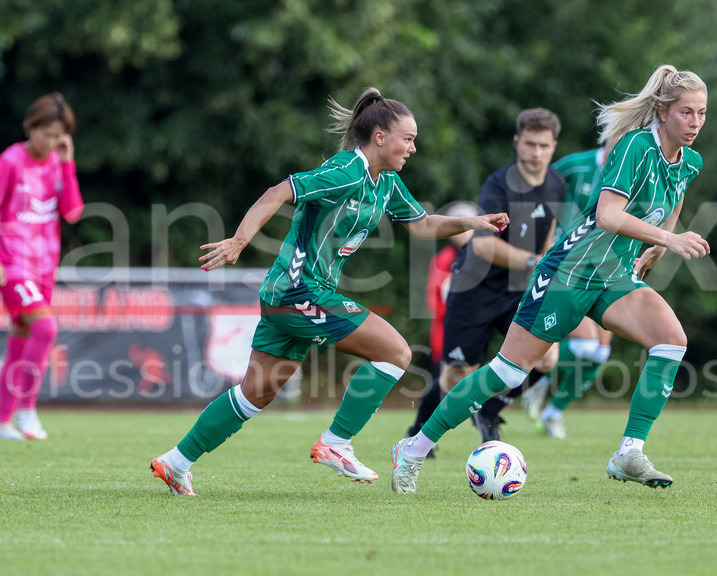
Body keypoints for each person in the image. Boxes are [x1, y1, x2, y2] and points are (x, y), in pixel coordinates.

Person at [149, 87, 509, 496]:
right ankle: (336, 442)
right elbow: (278, 192)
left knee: (256, 394)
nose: (413, 148)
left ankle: (176, 462)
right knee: (395, 353)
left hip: (290, 296)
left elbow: (424, 225)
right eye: (407, 139)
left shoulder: (386, 183)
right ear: (379, 137)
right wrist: (238, 241)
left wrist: (474, 223)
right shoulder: (347, 171)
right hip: (297, 291)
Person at [391, 65, 711, 492]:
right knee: (507, 372)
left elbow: (674, 197)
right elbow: (607, 215)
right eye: (686, 112)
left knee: (671, 340)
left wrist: (657, 246)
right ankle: (413, 449)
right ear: (662, 111)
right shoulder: (635, 145)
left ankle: (628, 453)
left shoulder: (689, 162)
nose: (695, 122)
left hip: (612, 275)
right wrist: (669, 238)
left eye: (702, 113)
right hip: (569, 272)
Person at [438, 108, 566, 444]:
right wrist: (535, 261)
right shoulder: (499, 184)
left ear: (553, 146)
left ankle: (489, 410)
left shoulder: (556, 183)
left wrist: (545, 268)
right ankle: (421, 435)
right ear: (517, 142)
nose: (536, 152)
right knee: (454, 376)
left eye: (543, 145)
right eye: (530, 144)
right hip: (474, 286)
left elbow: (549, 230)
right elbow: (482, 245)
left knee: (547, 356)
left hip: (517, 288)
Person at [0, 92, 84, 441]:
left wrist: (67, 164)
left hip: (45, 268)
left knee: (20, 341)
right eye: (46, 133)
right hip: (13, 265)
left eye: (58, 136)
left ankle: (0, 423)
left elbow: (72, 212)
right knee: (46, 330)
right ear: (30, 127)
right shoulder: (10, 161)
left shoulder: (57, 163)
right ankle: (27, 410)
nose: (51, 141)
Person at [521, 139, 619, 439]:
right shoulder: (577, 166)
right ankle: (537, 375)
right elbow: (539, 190)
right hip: (563, 263)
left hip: (603, 264)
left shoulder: (632, 169)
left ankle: (553, 413)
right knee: (585, 344)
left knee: (600, 352)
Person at [403, 201, 478, 458]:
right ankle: (419, 435)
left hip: (474, 330)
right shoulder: (444, 259)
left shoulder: (482, 255)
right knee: (443, 385)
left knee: (467, 385)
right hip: (447, 333)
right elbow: (436, 298)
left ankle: (422, 436)